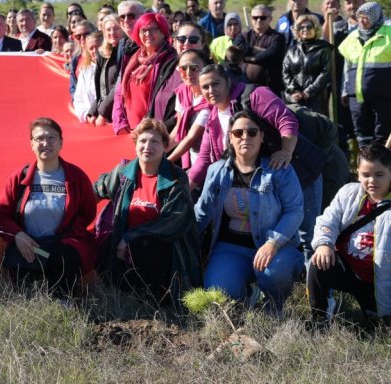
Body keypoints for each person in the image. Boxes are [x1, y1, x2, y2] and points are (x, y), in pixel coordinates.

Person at [195, 110, 305, 315]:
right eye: (238, 133)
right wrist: (184, 235)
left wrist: (273, 243)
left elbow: (294, 211)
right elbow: (203, 211)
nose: (245, 137)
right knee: (218, 293)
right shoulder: (217, 171)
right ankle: (249, 292)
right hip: (230, 248)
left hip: (275, 248)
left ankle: (274, 307)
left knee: (274, 273)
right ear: (230, 137)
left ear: (262, 136)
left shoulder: (279, 170)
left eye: (252, 132)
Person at [93, 118, 201, 305]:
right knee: (98, 247)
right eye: (142, 141)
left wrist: (131, 236)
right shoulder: (123, 172)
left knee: (143, 246)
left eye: (154, 142)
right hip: (125, 242)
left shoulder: (176, 178)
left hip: (165, 246)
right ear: (135, 145)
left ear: (165, 147)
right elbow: (95, 190)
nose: (147, 146)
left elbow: (173, 222)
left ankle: (156, 300)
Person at [0, 118, 97, 293]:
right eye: (39, 138)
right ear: (31, 144)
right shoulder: (19, 178)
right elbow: (0, 216)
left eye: (51, 138)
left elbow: (87, 213)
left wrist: (66, 237)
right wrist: (18, 235)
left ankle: (64, 301)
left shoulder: (76, 177)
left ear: (61, 142)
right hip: (31, 246)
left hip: (62, 246)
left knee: (62, 258)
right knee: (24, 280)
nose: (45, 143)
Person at [308, 144, 391, 328]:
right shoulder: (349, 192)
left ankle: (376, 311)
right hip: (348, 269)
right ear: (357, 173)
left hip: (378, 282)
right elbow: (327, 220)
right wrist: (324, 243)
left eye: (379, 175)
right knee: (317, 263)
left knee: (379, 328)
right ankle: (320, 317)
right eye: (366, 175)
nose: (372, 181)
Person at [112, 12, 178, 135]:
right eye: (143, 30)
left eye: (153, 29)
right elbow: (119, 93)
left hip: (154, 132)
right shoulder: (133, 58)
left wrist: (147, 127)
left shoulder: (171, 60)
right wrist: (120, 124)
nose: (148, 34)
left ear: (163, 32)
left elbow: (167, 100)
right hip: (130, 131)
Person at [339, 2, 391, 148]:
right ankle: (364, 168)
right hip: (357, 97)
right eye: (359, 17)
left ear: (375, 17)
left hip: (383, 96)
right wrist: (345, 89)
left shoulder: (388, 33)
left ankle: (383, 168)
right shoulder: (353, 37)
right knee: (362, 137)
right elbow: (347, 67)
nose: (362, 21)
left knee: (383, 137)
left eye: (366, 17)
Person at [166, 49, 212, 170]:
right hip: (193, 159)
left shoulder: (211, 98)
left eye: (194, 67)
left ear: (206, 67)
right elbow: (179, 127)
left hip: (211, 162)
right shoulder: (182, 91)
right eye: (183, 68)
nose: (188, 72)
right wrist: (158, 152)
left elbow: (191, 137)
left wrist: (163, 162)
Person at [282, 13, 333, 115]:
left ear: (316, 29)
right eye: (302, 27)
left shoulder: (324, 48)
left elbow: (325, 73)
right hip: (294, 98)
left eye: (309, 26)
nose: (305, 29)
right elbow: (286, 72)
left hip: (316, 99)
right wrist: (294, 90)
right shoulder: (292, 50)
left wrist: (308, 92)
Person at [233, 5, 285, 96]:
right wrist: (256, 49)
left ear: (270, 19)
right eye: (255, 18)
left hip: (270, 89)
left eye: (263, 17)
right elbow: (236, 48)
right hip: (245, 88)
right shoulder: (244, 35)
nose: (258, 20)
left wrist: (247, 58)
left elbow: (269, 55)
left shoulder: (277, 37)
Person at [87, 15, 124, 126]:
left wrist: (102, 112)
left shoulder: (126, 52)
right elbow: (101, 90)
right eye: (108, 29)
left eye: (116, 28)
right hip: (105, 115)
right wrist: (92, 112)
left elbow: (118, 86)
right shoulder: (102, 54)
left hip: (119, 114)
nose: (112, 32)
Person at [72, 34, 101, 123]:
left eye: (98, 47)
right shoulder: (84, 71)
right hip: (90, 122)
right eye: (91, 48)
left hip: (106, 120)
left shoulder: (112, 68)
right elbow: (78, 99)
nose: (95, 51)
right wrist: (86, 116)